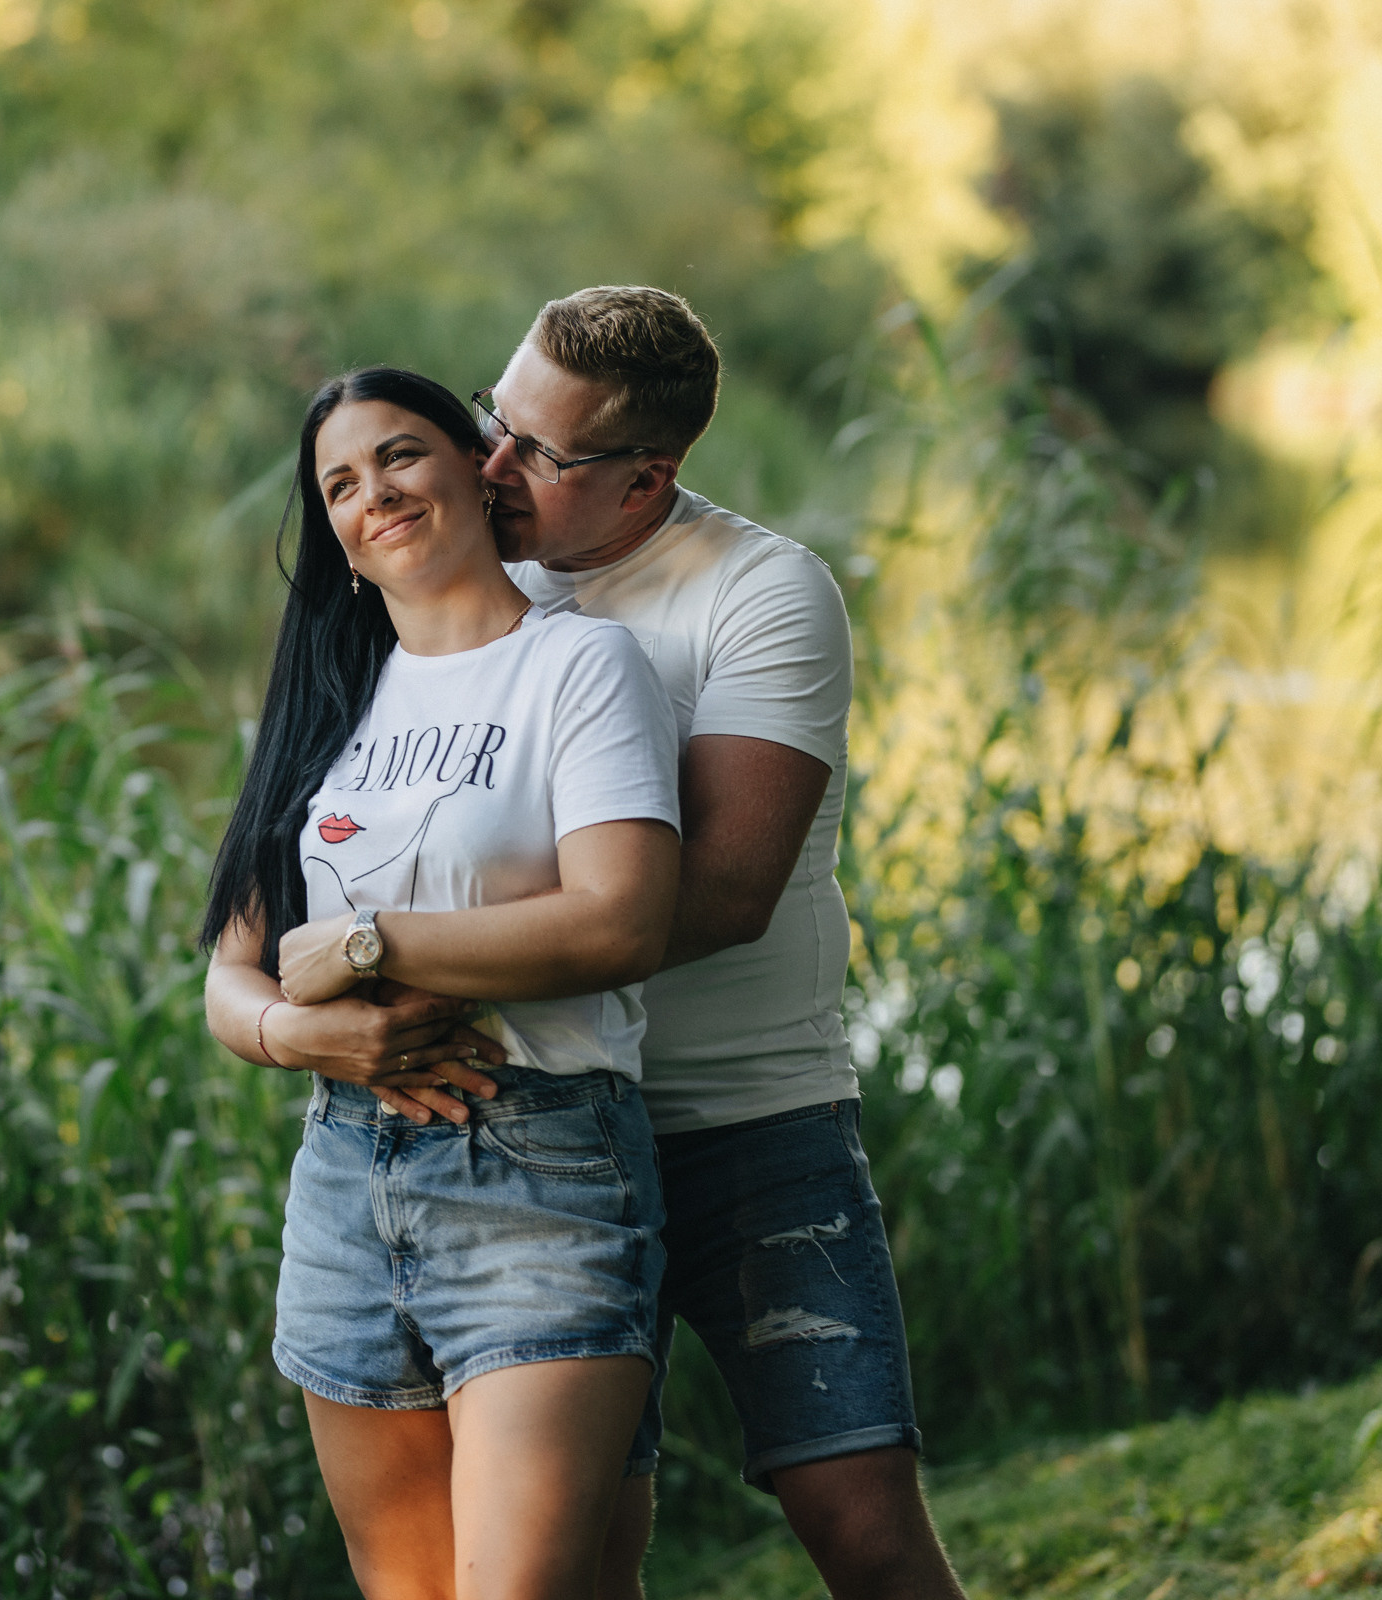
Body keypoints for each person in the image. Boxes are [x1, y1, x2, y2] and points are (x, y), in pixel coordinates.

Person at [445, 285, 964, 1600]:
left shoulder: (762, 592)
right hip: (548, 1129)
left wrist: (426, 964)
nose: (490, 466)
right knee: (583, 1551)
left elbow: (728, 890)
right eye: (491, 422)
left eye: (538, 453)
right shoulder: (470, 583)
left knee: (859, 1519)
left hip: (748, 1119)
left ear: (645, 478)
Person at [201, 366, 685, 1599]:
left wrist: (371, 946)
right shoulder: (326, 699)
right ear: (338, 542)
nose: (378, 495)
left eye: (401, 456)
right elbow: (233, 981)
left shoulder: (579, 667)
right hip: (344, 1186)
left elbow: (622, 918)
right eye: (341, 485)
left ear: (477, 466)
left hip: (543, 1174)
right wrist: (314, 1042)